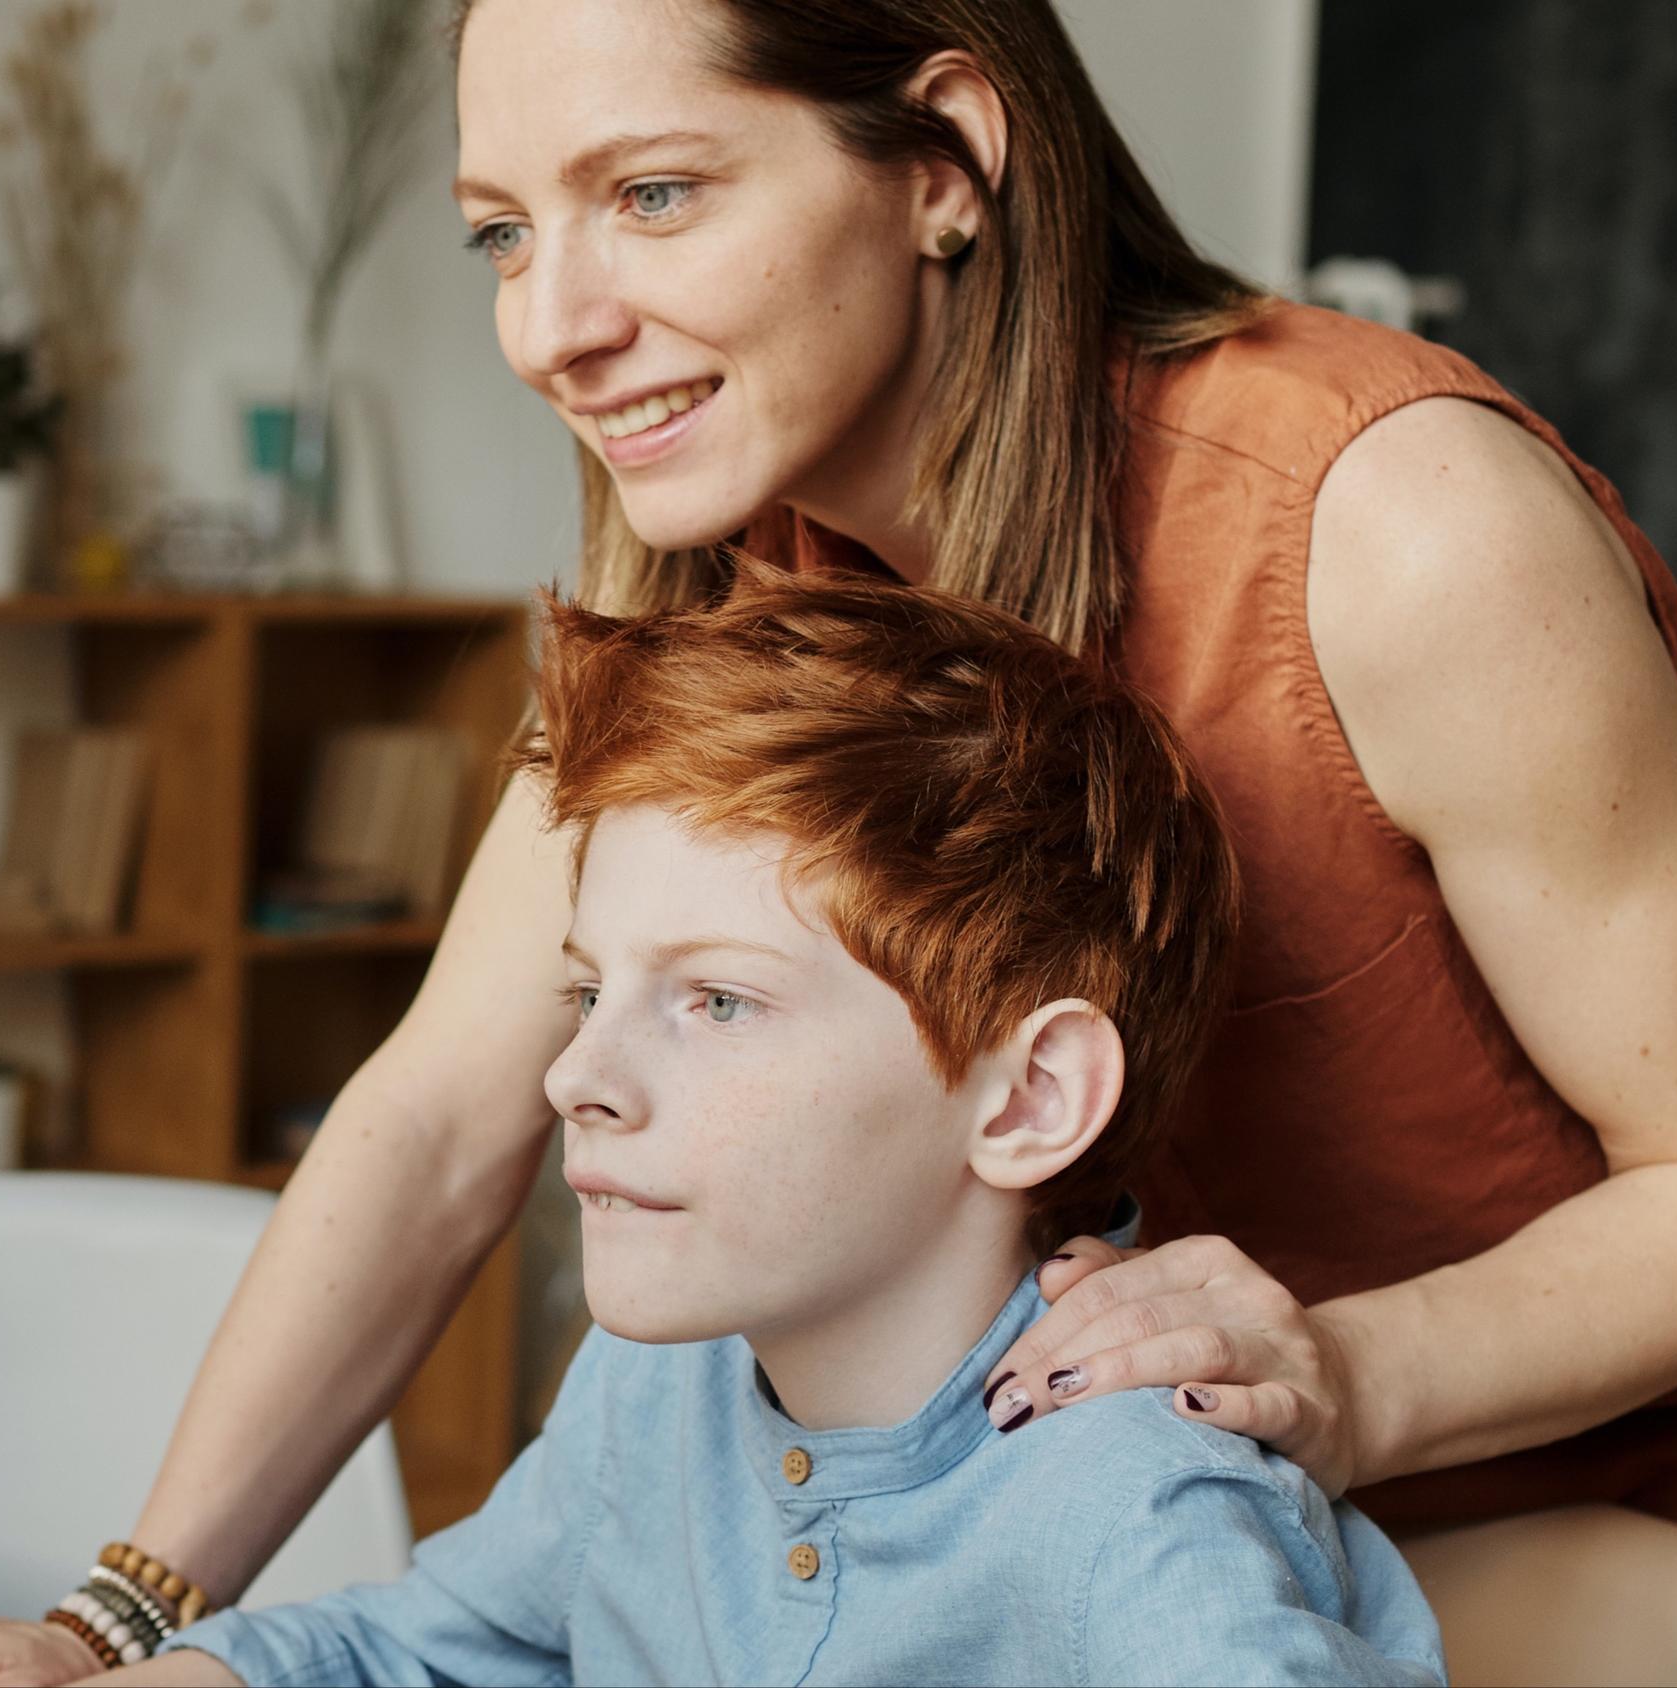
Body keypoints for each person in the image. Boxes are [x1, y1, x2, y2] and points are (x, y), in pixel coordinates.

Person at [0, 1, 1677, 1682]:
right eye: (501, 229)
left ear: (945, 156)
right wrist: (112, 1627)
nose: (549, 322)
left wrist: (1335, 1374)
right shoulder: (724, 580)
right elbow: (441, 1116)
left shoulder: (1395, 526)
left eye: (650, 194)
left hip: (1646, 1541)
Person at [82, 565, 1443, 1687]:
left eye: (718, 1002)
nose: (573, 1077)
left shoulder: (1144, 1518)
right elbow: (434, 1653)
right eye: (587, 990)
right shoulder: (654, 1387)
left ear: (1027, 1100)